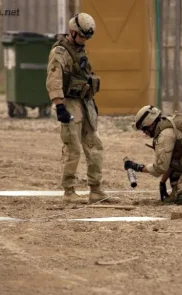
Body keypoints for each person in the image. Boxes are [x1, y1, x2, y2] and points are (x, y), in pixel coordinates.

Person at [46, 13, 107, 204]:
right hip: (70, 103)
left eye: (87, 37)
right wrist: (60, 106)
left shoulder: (80, 49)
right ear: (72, 32)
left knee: (95, 145)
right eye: (82, 36)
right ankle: (69, 191)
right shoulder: (60, 52)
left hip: (84, 102)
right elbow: (53, 80)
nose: (85, 40)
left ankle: (96, 189)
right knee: (73, 148)